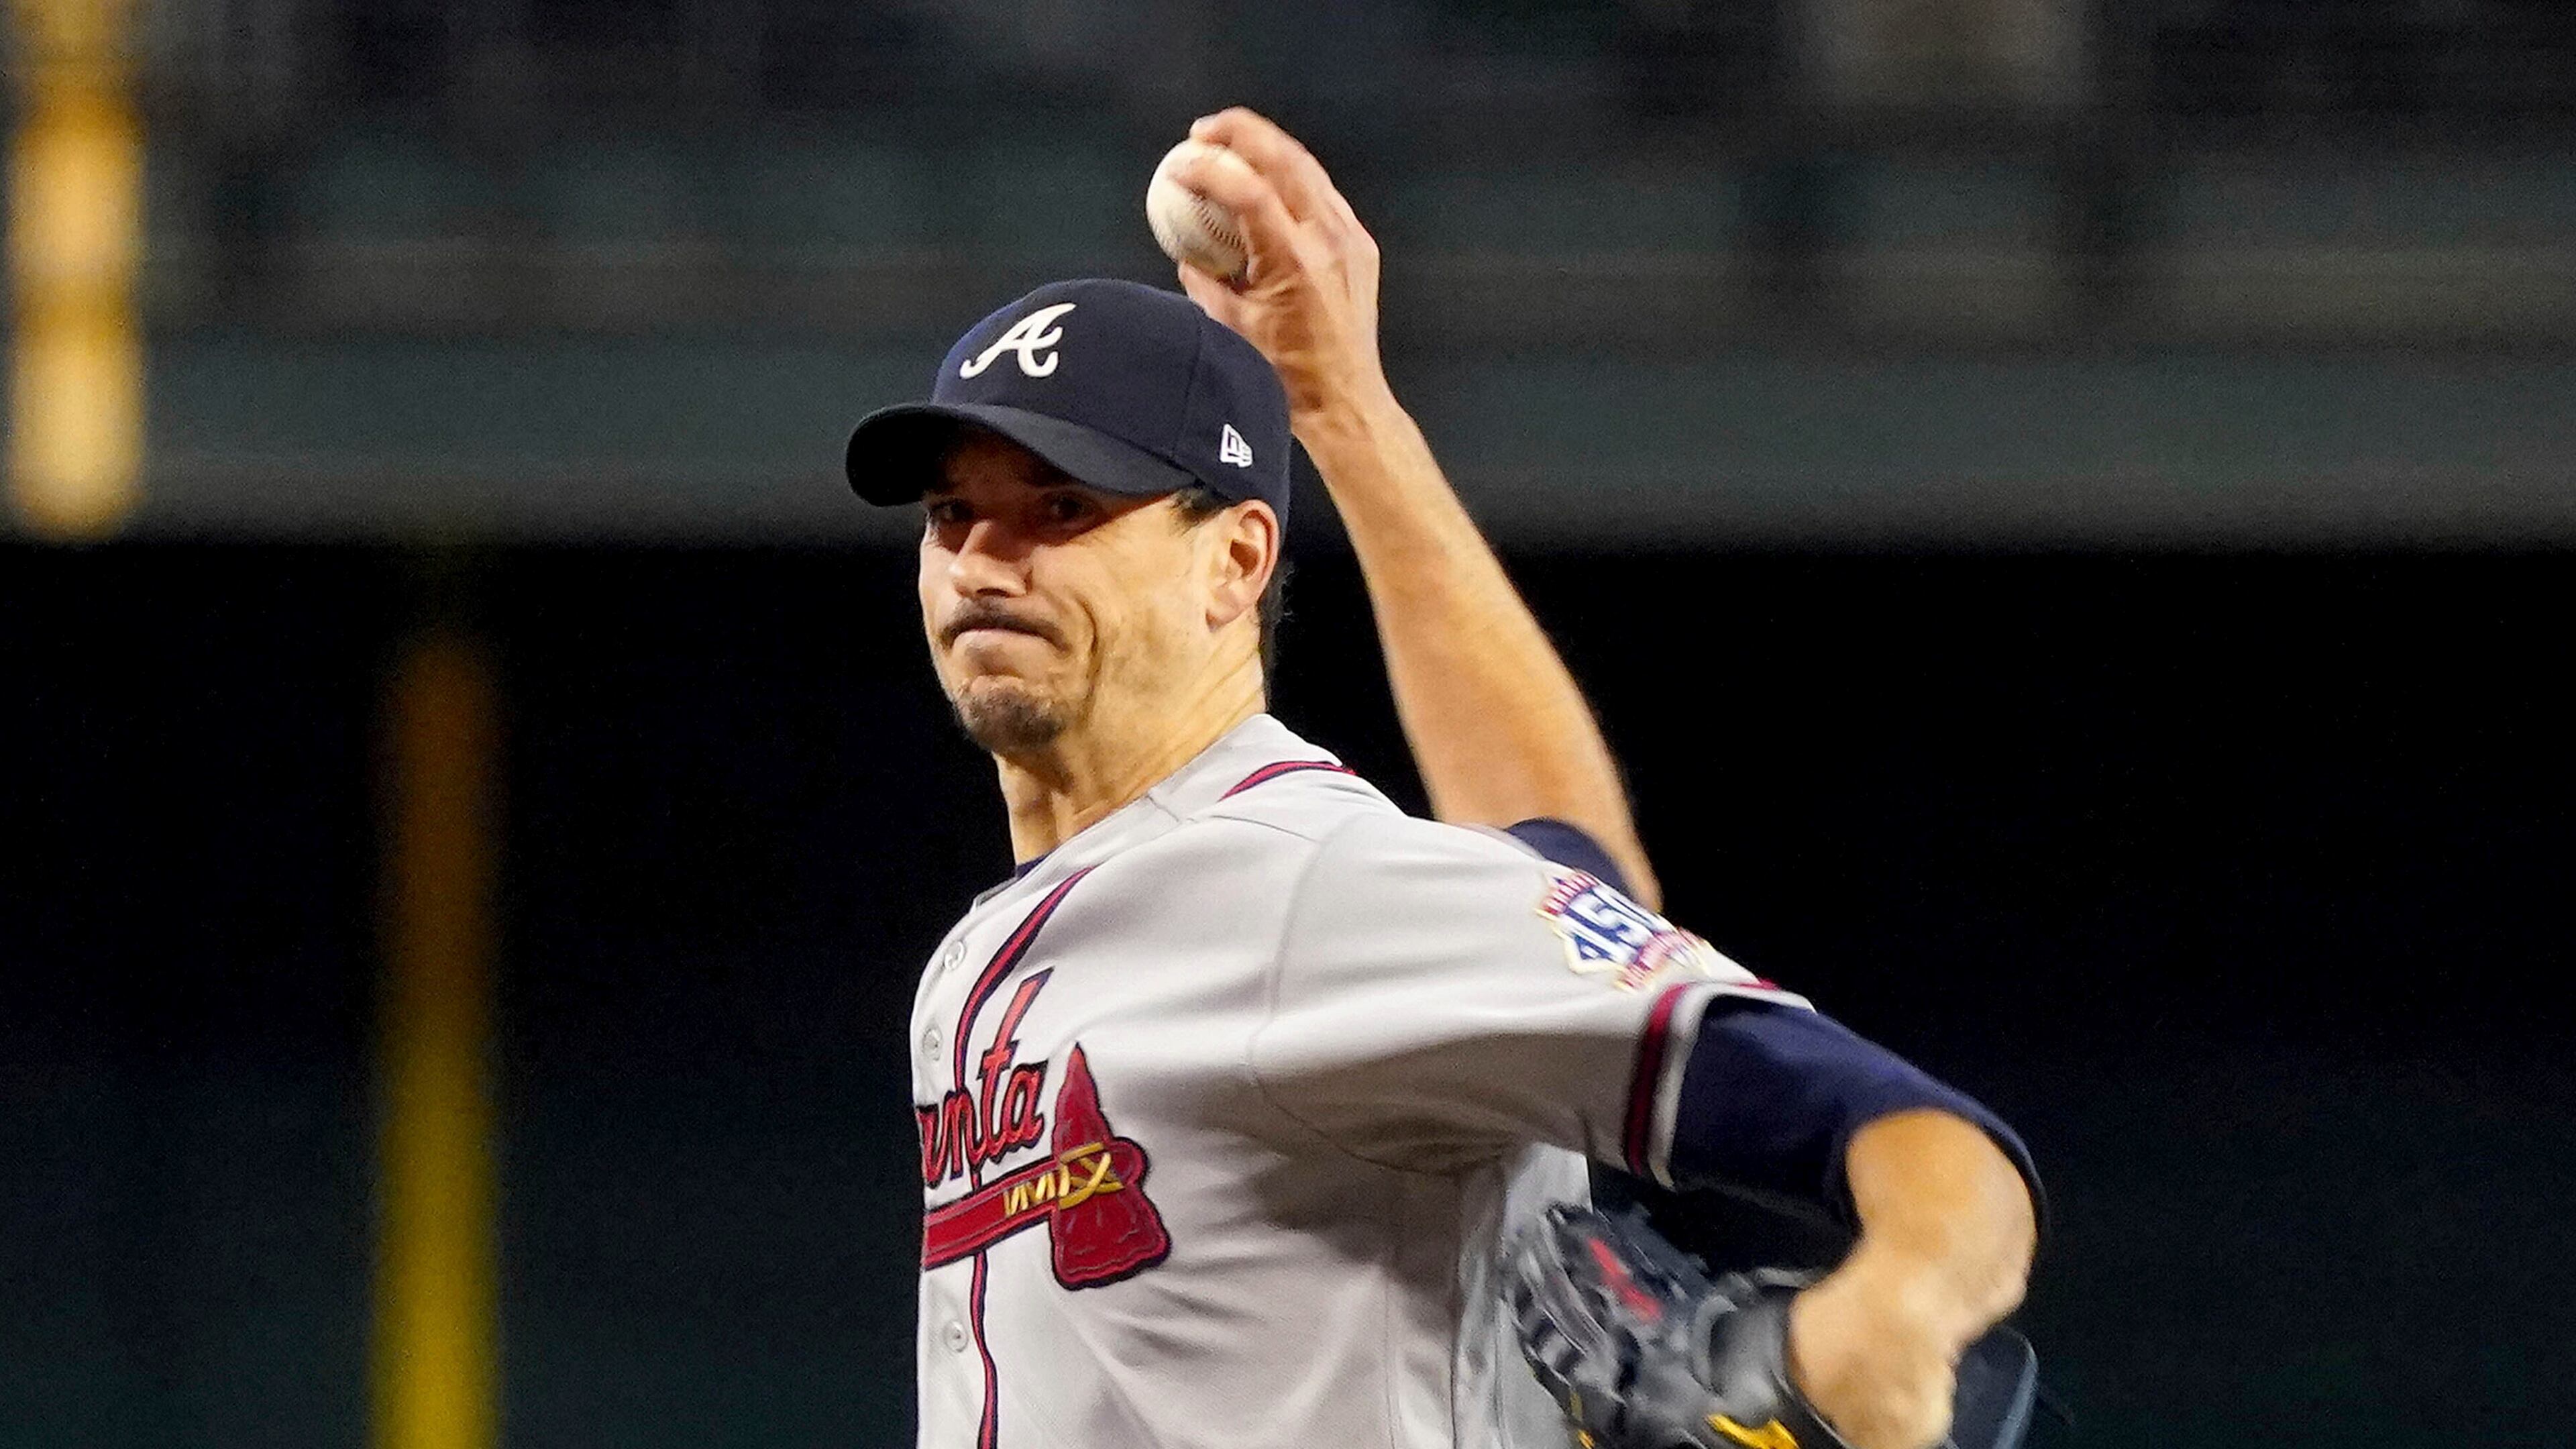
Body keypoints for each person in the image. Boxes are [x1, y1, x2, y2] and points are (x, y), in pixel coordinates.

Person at [842, 109, 2038, 1449]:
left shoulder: (1310, 887)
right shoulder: (980, 961)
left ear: (1236, 562)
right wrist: (1340, 407)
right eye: (953, 515)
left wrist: (1886, 1317)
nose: (987, 559)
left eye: (1064, 507)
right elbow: (1573, 872)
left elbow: (1910, 1128)